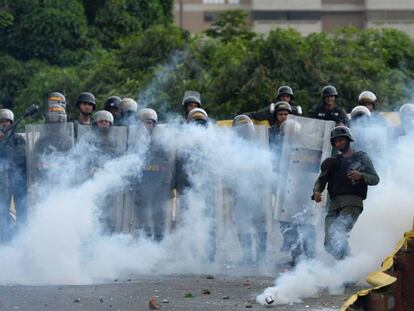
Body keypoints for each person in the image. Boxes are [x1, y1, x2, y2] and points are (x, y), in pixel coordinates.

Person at [312, 126, 379, 260]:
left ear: (348, 140)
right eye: (336, 141)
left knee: (338, 233)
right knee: (329, 243)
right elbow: (321, 180)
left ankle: (348, 269)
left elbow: (375, 179)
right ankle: (348, 266)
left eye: (341, 140)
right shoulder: (332, 162)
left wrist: (361, 176)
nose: (339, 143)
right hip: (334, 205)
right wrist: (317, 192)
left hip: (352, 202)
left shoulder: (361, 157)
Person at [132, 108, 174, 241]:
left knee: (158, 212)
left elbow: (166, 162)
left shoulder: (160, 142)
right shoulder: (134, 142)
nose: (147, 126)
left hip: (157, 181)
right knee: (141, 211)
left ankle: (159, 237)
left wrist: (165, 179)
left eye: (150, 122)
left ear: (154, 124)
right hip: (141, 182)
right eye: (144, 122)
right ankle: (144, 237)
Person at [231, 115, 267, 263]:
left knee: (259, 222)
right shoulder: (232, 149)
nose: (244, 132)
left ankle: (260, 256)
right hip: (240, 191)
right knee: (241, 222)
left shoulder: (258, 145)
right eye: (241, 129)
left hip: (256, 190)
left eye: (246, 129)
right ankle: (247, 255)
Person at [0, 108, 27, 241]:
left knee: (22, 207)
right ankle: (4, 238)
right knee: (3, 209)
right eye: (2, 121)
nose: (4, 124)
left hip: (18, 178)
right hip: (2, 180)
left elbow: (24, 157)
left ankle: (23, 236)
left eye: (7, 121)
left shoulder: (18, 139)